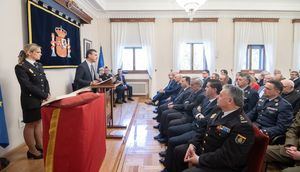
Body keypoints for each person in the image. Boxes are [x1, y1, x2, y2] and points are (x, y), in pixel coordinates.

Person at [171, 85, 254, 172]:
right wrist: (193, 144)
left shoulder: (242, 125)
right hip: (207, 151)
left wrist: (199, 159)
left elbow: (228, 156)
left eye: (221, 95)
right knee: (179, 151)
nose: (218, 96)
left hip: (222, 165)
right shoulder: (219, 109)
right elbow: (204, 128)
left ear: (230, 100)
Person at [15, 43, 50, 159]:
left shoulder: (38, 65)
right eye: (38, 52)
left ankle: (39, 145)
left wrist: (47, 93)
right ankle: (32, 150)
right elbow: (27, 86)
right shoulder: (21, 67)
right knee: (30, 125)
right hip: (30, 100)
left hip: (40, 99)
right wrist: (44, 95)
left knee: (38, 122)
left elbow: (44, 80)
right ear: (30, 53)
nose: (41, 54)